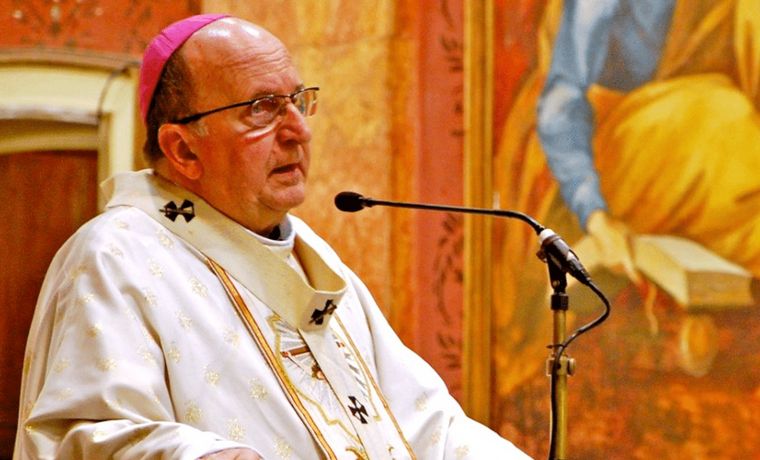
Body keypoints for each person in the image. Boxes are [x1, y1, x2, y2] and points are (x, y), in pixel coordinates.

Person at [14, 14, 531, 459]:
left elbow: (428, 425)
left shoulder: (311, 259)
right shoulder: (116, 255)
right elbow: (84, 437)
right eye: (261, 108)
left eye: (299, 101)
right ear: (183, 150)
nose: (298, 130)